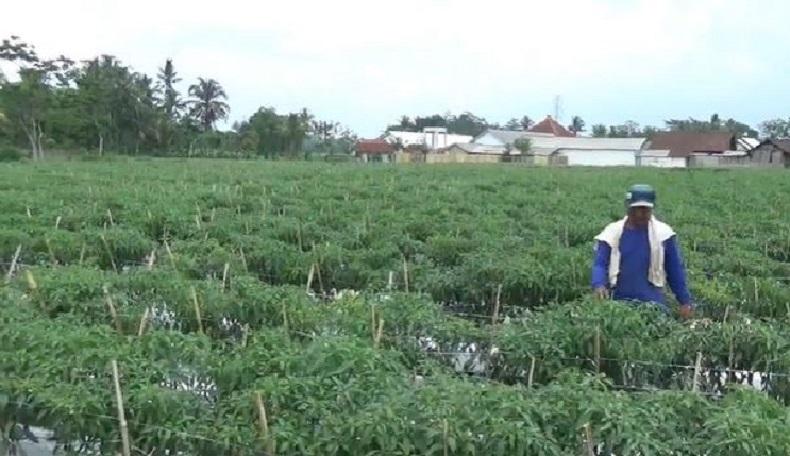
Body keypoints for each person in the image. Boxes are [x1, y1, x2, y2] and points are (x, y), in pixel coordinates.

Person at [591, 184, 693, 318]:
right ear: (629, 209)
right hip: (617, 304)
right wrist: (598, 284)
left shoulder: (663, 234)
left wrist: (684, 301)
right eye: (638, 209)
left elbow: (674, 270)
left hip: (653, 305)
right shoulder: (612, 233)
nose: (642, 214)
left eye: (646, 209)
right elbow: (600, 263)